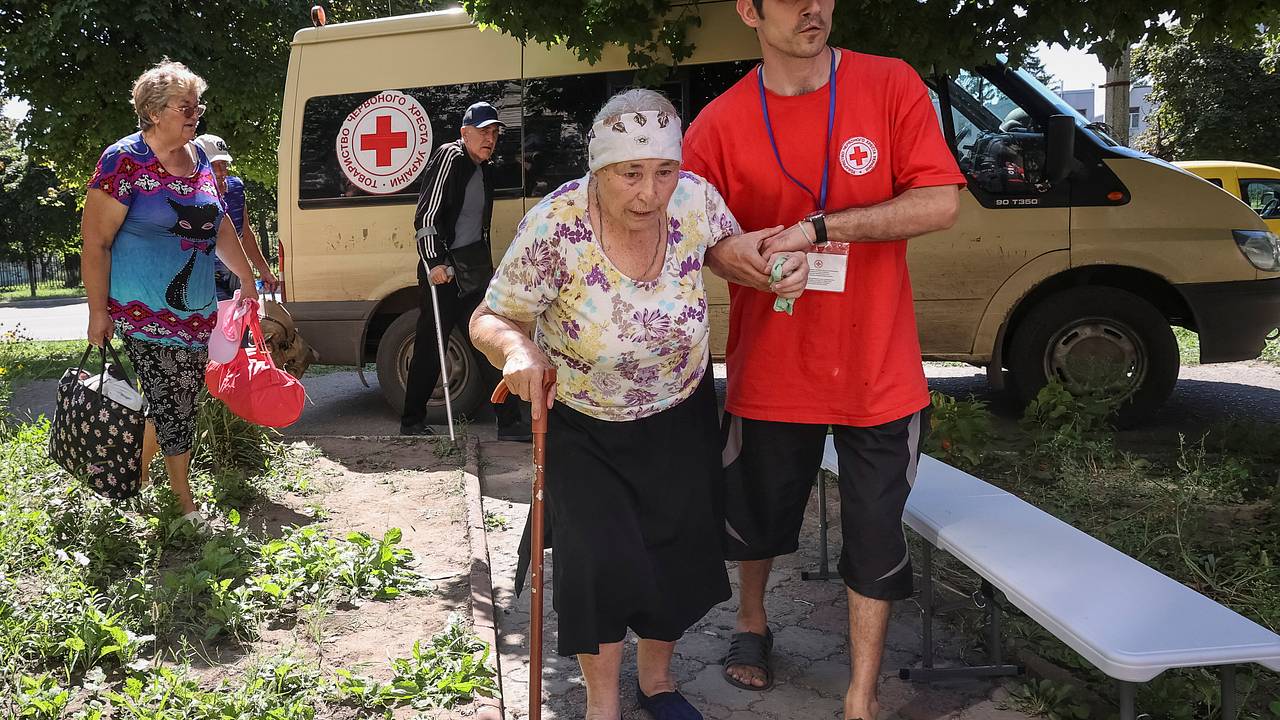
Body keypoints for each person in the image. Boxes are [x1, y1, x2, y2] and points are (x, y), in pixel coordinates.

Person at [470, 89, 807, 720]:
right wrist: (517, 354)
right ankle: (604, 705)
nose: (649, 193)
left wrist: (767, 266)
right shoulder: (557, 223)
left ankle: (658, 684)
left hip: (678, 411)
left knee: (672, 553)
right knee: (599, 560)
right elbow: (490, 317)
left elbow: (724, 253)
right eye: (631, 174)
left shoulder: (697, 199)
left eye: (664, 171)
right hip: (584, 419)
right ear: (599, 170)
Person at [681, 1, 966, 718]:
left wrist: (819, 228)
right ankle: (752, 624)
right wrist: (736, 258)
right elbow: (694, 237)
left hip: (878, 369)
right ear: (749, 9)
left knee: (875, 538)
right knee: (757, 520)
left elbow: (939, 202)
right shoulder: (717, 124)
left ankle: (860, 696)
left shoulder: (891, 84)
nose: (814, 7)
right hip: (771, 370)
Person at [81, 59, 264, 530]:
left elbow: (220, 224)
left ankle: (129, 479)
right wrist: (97, 312)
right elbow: (96, 241)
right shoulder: (122, 161)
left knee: (172, 400)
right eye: (187, 106)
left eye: (197, 106)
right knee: (175, 401)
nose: (196, 113)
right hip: (143, 310)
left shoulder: (200, 158)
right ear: (155, 111)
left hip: (195, 311)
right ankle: (184, 508)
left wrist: (246, 277)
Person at [402, 101, 528, 440]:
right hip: (443, 272)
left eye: (494, 132)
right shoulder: (451, 157)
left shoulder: (484, 168)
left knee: (487, 342)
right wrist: (434, 263)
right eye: (484, 131)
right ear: (464, 133)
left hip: (471, 272)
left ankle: (510, 423)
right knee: (431, 345)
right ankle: (411, 422)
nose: (490, 138)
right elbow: (426, 217)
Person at [194, 133, 279, 301]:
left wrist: (264, 270)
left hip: (234, 278)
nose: (220, 171)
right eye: (214, 165)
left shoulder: (236, 189)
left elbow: (245, 233)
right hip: (202, 280)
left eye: (223, 164)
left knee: (240, 324)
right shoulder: (189, 195)